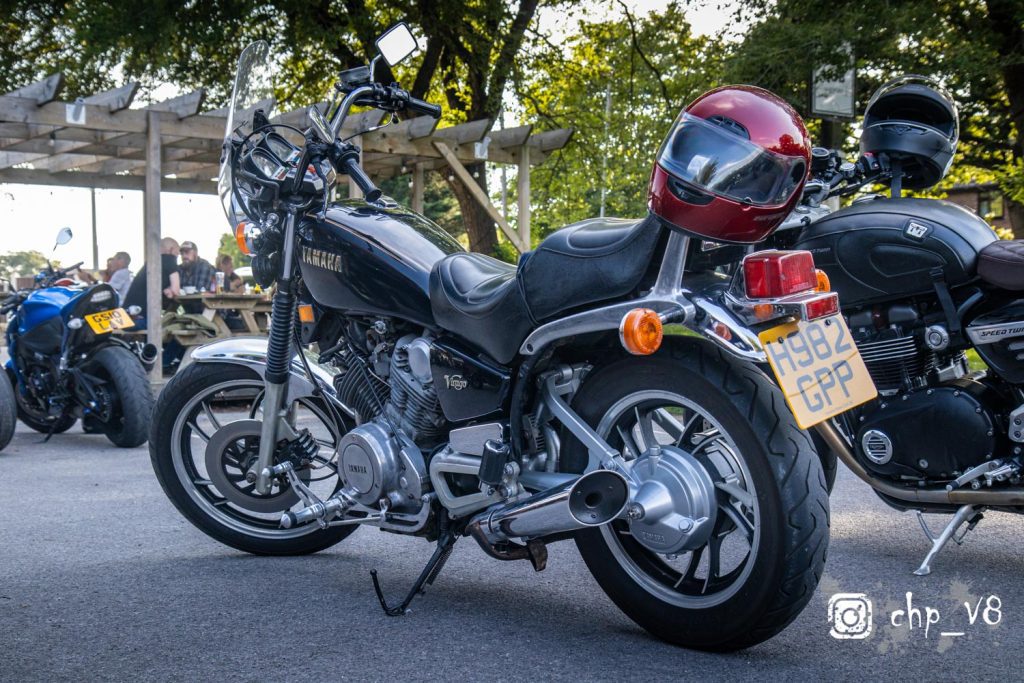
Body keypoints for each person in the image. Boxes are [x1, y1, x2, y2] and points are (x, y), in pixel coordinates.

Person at [123, 237, 180, 324]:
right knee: (173, 324)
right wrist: (170, 290)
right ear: (171, 250)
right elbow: (176, 291)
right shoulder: (169, 259)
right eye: (177, 253)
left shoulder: (151, 262)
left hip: (125, 317)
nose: (177, 257)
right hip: (141, 319)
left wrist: (168, 288)